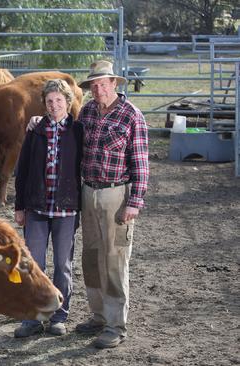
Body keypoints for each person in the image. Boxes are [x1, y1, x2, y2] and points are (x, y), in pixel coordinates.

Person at [26, 60, 149, 348]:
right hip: (87, 193)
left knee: (115, 259)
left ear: (114, 84)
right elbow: (64, 132)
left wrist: (135, 201)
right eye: (93, 84)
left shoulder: (131, 115)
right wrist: (37, 121)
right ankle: (98, 316)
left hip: (116, 194)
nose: (98, 88)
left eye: (103, 83)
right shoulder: (89, 112)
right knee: (91, 257)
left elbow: (141, 163)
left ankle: (116, 325)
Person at [13, 79, 83, 338]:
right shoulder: (35, 130)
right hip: (37, 208)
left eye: (59, 101)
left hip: (67, 209)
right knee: (34, 264)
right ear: (44, 104)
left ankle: (58, 315)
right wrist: (20, 206)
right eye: (49, 101)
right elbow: (22, 172)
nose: (54, 106)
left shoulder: (78, 131)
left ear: (68, 102)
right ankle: (32, 317)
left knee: (63, 264)